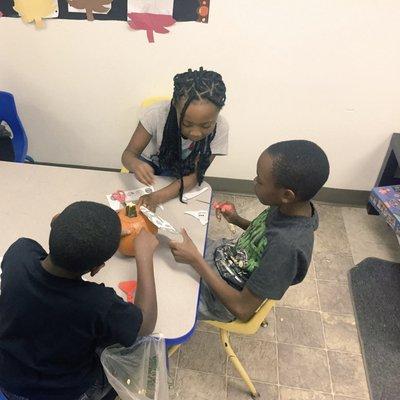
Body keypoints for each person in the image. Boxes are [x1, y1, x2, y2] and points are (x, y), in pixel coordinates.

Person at [0, 201, 158, 400]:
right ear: (97, 269)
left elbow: (50, 249)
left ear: (54, 223)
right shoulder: (98, 304)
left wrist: (91, 236)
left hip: (8, 380)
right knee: (125, 353)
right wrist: (144, 256)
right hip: (66, 392)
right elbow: (146, 323)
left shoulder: (19, 254)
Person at [169, 140, 330, 322]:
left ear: (287, 195)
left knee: (163, 296)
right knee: (168, 246)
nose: (254, 181)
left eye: (259, 181)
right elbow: (264, 240)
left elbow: (242, 309)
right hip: (224, 259)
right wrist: (236, 219)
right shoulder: (291, 208)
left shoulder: (287, 248)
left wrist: (196, 261)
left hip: (221, 299)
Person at [122, 67, 228, 211]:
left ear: (218, 114)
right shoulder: (155, 114)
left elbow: (194, 176)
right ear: (174, 107)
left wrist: (157, 197)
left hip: (182, 171)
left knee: (173, 211)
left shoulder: (220, 128)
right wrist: (135, 164)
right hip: (148, 165)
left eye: (206, 125)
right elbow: (128, 155)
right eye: (187, 123)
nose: (196, 133)